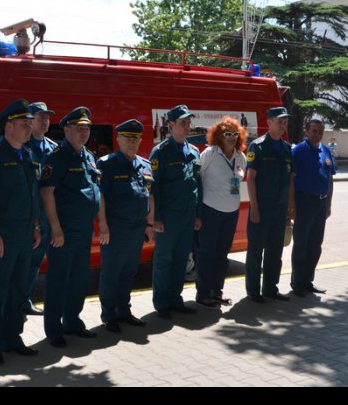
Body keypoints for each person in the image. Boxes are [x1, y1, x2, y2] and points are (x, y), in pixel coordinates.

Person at [0, 99, 42, 365]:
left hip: (26, 233)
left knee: (18, 289)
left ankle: (13, 338)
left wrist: (36, 226)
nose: (29, 129)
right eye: (24, 124)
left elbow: (31, 195)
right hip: (3, 234)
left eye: (30, 124)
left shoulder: (27, 155)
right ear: (9, 126)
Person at [39, 106, 101, 348]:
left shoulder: (88, 156)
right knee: (58, 280)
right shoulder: (56, 157)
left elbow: (95, 191)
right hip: (62, 232)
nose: (83, 133)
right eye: (78, 128)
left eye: (86, 128)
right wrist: (55, 228)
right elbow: (46, 193)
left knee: (78, 279)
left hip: (83, 230)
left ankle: (72, 322)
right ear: (66, 129)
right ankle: (54, 329)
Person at [96, 119, 154, 333]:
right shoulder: (106, 164)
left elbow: (151, 195)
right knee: (112, 272)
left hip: (137, 228)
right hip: (115, 229)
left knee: (129, 272)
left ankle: (124, 311)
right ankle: (109, 315)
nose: (132, 142)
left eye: (136, 138)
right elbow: (99, 195)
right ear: (118, 139)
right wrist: (102, 224)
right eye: (127, 138)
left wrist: (149, 223)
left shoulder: (145, 164)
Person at [149, 104, 202, 319]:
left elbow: (198, 185)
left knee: (181, 260)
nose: (187, 126)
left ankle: (175, 299)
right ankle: (162, 303)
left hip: (187, 216)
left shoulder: (194, 151)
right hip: (167, 218)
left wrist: (198, 214)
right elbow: (153, 188)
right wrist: (156, 218)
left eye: (189, 122)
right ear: (170, 126)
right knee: (164, 261)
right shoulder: (160, 152)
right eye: (183, 123)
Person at [195, 116, 247, 309]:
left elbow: (237, 183)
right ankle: (203, 294)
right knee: (207, 253)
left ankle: (216, 292)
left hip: (230, 212)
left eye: (235, 134)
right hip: (210, 210)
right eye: (227, 134)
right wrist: (198, 212)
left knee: (222, 254)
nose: (232, 137)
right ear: (219, 135)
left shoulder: (241, 157)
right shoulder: (210, 154)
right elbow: (197, 180)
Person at [245, 106, 295, 303]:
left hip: (279, 209)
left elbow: (291, 179)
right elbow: (250, 178)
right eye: (279, 121)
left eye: (285, 121)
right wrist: (254, 207)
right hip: (262, 208)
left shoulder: (287, 148)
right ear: (269, 122)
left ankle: (270, 288)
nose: (283, 125)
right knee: (256, 251)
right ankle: (253, 291)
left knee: (276, 251)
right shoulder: (257, 146)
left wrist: (290, 206)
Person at [290, 119, 335, 297]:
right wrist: (292, 205)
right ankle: (297, 283)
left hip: (321, 203)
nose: (317, 134)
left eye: (320, 131)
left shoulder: (326, 151)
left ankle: (308, 281)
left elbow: (330, 179)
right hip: (304, 202)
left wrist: (329, 204)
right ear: (306, 131)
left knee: (315, 245)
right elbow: (291, 179)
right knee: (301, 244)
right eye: (314, 131)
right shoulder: (299, 151)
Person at [22, 101, 58, 316]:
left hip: (47, 215)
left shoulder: (52, 148)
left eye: (47, 117)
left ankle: (24, 300)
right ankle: (14, 301)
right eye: (40, 117)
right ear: (30, 120)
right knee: (24, 261)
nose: (45, 121)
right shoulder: (23, 147)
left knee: (35, 262)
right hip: (28, 216)